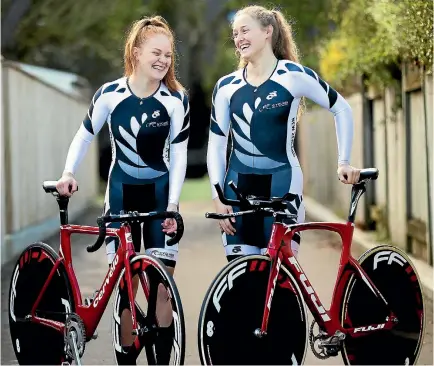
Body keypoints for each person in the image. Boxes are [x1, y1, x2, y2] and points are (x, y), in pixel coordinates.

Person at [56, 15, 190, 365]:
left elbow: (178, 156)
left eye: (169, 55)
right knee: (128, 288)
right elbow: (84, 135)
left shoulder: (176, 100)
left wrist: (173, 205)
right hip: (119, 199)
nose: (163, 60)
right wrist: (68, 172)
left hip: (160, 199)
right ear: (136, 52)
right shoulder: (110, 94)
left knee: (163, 290)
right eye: (156, 53)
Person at [207, 5, 360, 262]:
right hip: (236, 190)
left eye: (245, 30)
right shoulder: (225, 87)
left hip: (282, 186)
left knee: (279, 282)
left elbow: (341, 108)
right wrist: (217, 196)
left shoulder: (292, 76)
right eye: (235, 33)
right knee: (241, 285)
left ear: (268, 31)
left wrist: (343, 161)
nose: (239, 38)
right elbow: (217, 144)